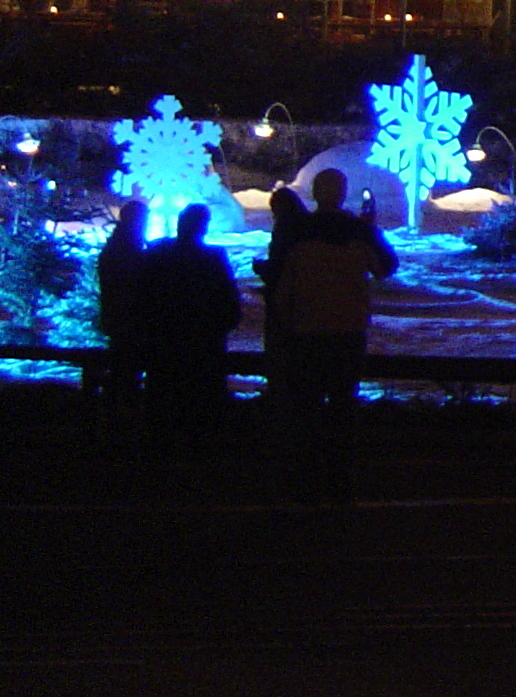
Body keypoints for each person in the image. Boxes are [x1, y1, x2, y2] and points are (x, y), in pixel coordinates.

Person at [273, 168, 396, 505]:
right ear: (343, 193)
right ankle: (339, 477)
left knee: (307, 406)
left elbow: (281, 283)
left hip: (306, 328)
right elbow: (386, 267)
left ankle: (304, 477)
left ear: (314, 192)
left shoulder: (297, 230)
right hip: (347, 328)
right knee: (342, 405)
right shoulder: (358, 231)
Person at [135, 203, 241, 445]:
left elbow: (143, 296)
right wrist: (223, 324)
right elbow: (227, 299)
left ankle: (161, 443)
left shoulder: (158, 254)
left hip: (164, 341)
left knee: (164, 400)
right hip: (204, 342)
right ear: (203, 227)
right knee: (200, 402)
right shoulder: (212, 259)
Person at [94, 201, 150, 420]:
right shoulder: (126, 245)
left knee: (124, 366)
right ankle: (120, 415)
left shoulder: (123, 242)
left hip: (120, 316)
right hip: (127, 318)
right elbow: (131, 281)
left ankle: (118, 411)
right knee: (125, 369)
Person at [253, 187, 310, 394]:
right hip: (303, 301)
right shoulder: (306, 226)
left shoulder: (285, 229)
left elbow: (280, 266)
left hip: (282, 300)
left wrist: (263, 269)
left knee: (280, 351)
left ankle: (280, 393)